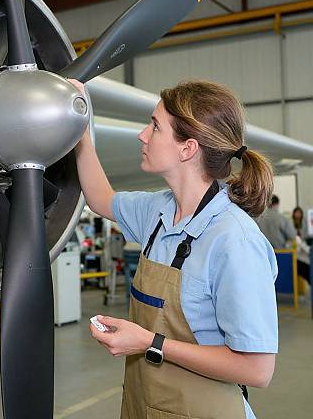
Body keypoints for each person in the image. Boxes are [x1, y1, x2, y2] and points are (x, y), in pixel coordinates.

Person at [71, 79, 277, 419]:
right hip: (146, 405)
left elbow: (257, 370)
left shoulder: (234, 241)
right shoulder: (158, 210)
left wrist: (149, 342)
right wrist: (79, 131)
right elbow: (100, 198)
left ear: (187, 148)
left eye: (154, 126)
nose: (142, 135)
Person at [257, 196, 309, 283]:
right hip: (282, 257)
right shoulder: (281, 218)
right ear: (277, 204)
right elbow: (292, 235)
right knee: (307, 270)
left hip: (264, 257)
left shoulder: (259, 219)